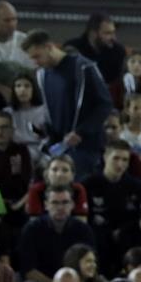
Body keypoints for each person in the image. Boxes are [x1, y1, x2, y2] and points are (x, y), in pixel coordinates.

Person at [23, 32, 111, 180]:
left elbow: (105, 104)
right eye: (32, 58)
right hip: (59, 147)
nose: (35, 62)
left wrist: (81, 132)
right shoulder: (43, 74)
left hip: (85, 147)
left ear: (49, 47)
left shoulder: (83, 67)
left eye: (37, 56)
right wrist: (45, 130)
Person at [17, 184, 96, 282]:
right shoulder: (31, 229)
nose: (60, 207)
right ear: (46, 205)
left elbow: (91, 264)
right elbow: (28, 270)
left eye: (65, 202)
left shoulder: (83, 230)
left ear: (72, 205)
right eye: (55, 203)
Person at [83, 140, 141, 273]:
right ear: (105, 157)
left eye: (125, 160)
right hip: (97, 236)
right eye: (116, 158)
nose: (120, 164)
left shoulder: (136, 187)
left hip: (126, 237)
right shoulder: (89, 184)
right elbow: (85, 216)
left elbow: (139, 218)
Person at [0, 1, 34, 104]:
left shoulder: (25, 41)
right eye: (7, 20)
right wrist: (2, 90)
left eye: (14, 19)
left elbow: (34, 72)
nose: (11, 24)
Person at [26, 154, 89, 219]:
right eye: (54, 170)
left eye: (65, 170)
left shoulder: (78, 189)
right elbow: (34, 222)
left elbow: (81, 221)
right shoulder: (36, 190)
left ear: (72, 175)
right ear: (46, 173)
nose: (59, 174)